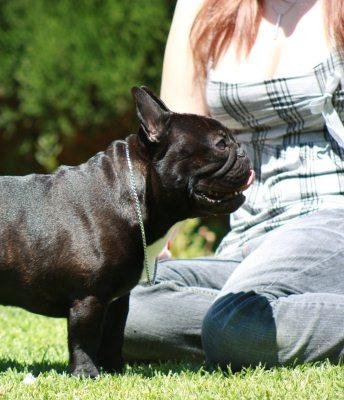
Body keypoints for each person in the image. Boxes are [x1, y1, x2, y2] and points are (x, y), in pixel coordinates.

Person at [123, 0, 344, 368]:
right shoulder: (201, 6)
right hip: (248, 243)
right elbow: (179, 151)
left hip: (332, 221)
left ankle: (241, 322)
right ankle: (253, 321)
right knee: (117, 302)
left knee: (233, 321)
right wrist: (152, 236)